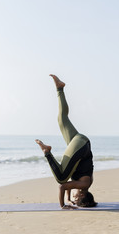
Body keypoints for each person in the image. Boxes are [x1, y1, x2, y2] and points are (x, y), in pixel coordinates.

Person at [36, 75, 97, 209]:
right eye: (77, 198)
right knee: (61, 178)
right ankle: (47, 152)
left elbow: (71, 184)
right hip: (80, 146)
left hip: (82, 142)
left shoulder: (84, 184)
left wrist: (69, 199)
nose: (76, 197)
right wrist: (63, 205)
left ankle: (60, 89)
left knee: (61, 118)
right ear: (82, 195)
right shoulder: (84, 185)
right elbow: (63, 186)